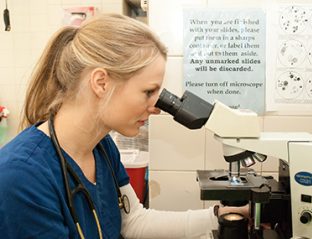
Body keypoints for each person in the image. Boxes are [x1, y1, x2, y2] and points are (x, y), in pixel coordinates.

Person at [0, 13, 248, 239]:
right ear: (101, 83)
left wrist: (218, 214)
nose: (157, 107)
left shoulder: (102, 147)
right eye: (148, 91)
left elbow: (134, 223)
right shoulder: (21, 177)